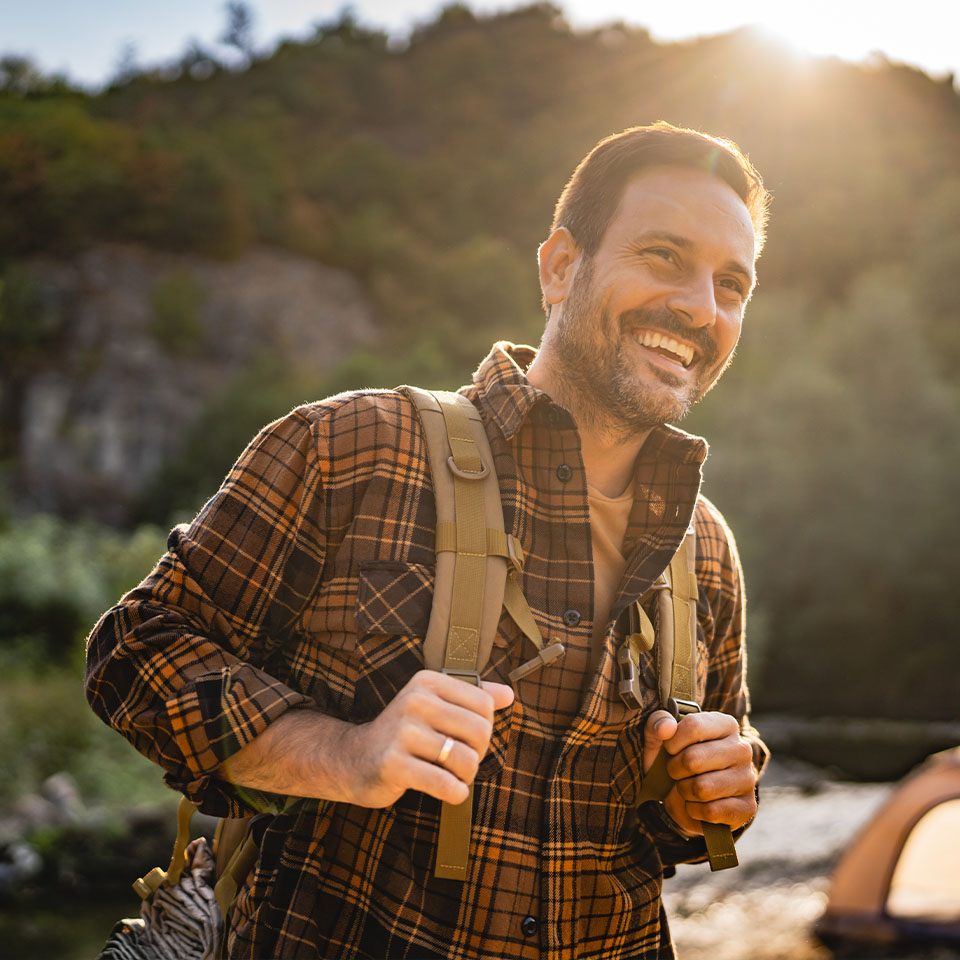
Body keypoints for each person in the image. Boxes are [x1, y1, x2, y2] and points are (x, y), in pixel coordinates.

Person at [86, 121, 770, 960]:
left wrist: (710, 798)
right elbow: (134, 652)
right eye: (664, 256)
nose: (701, 307)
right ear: (561, 267)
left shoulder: (706, 549)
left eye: (731, 284)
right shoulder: (352, 446)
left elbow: (668, 826)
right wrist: (345, 754)